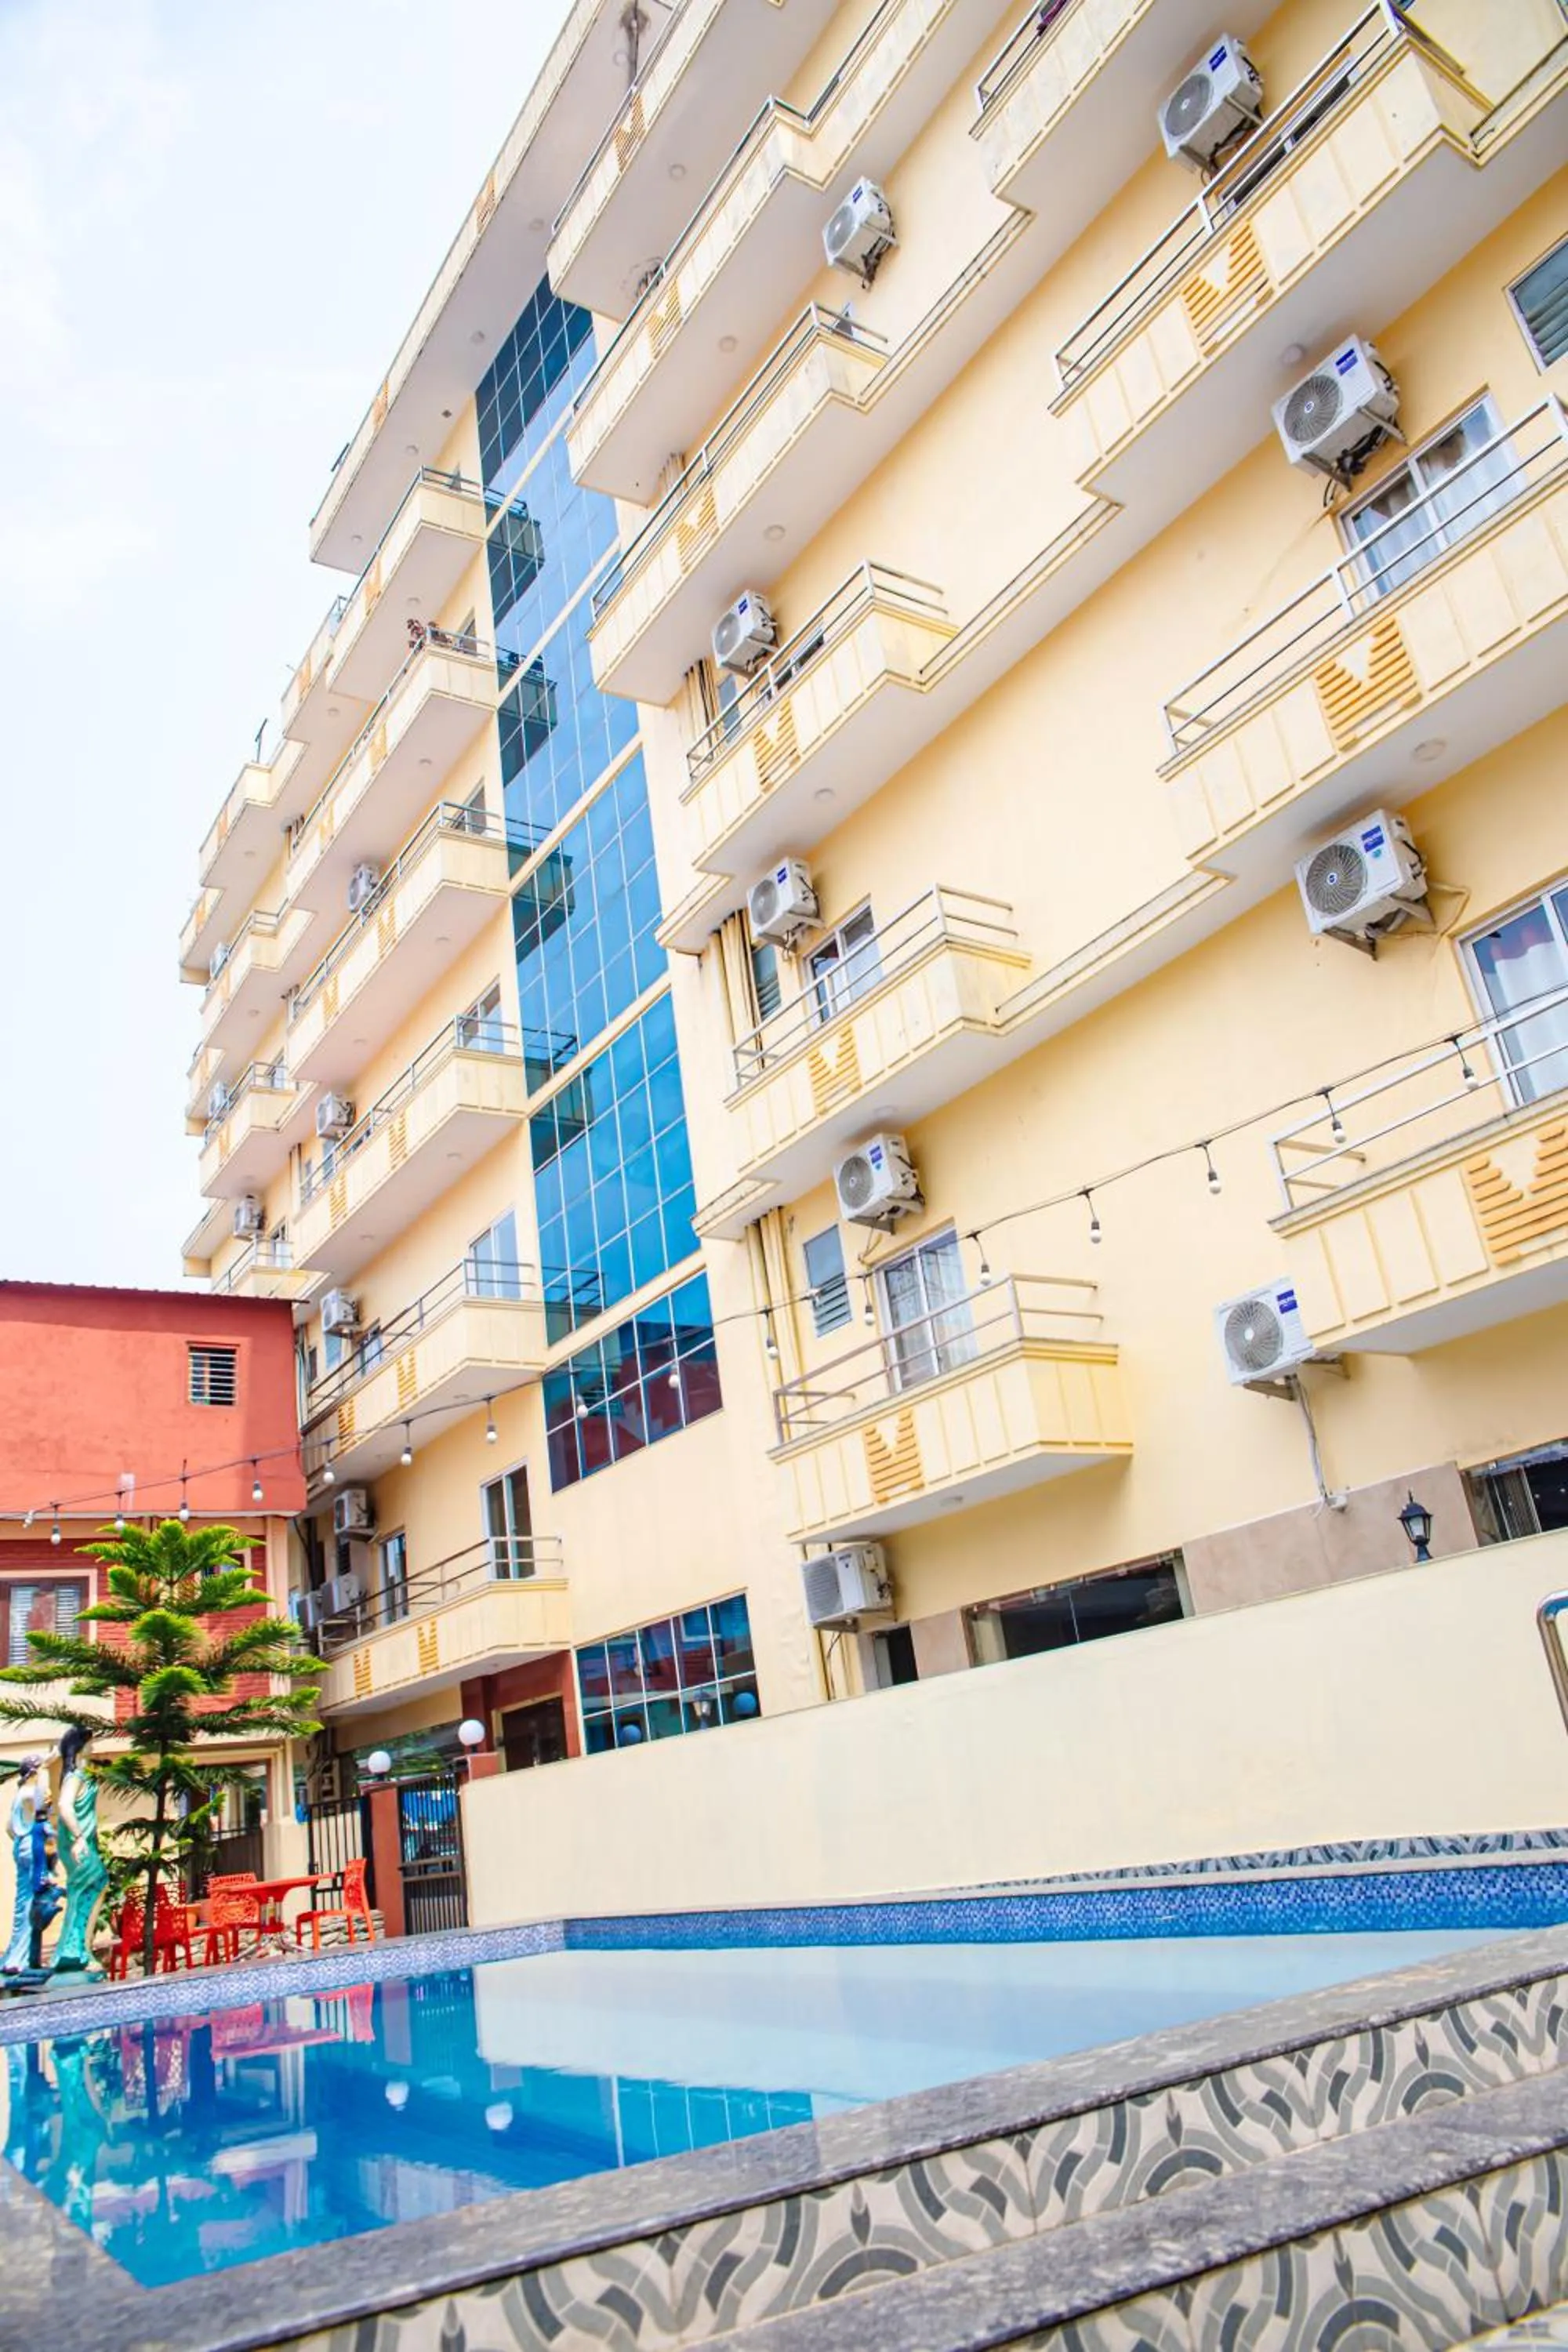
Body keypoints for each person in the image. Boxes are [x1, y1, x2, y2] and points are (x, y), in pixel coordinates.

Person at [52, 1729, 108, 1976]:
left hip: (83, 1843)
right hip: (79, 1845)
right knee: (93, 1887)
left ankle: (76, 1951)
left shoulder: (80, 1775)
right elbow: (64, 1806)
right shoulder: (74, 1778)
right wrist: (78, 1838)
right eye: (90, 1743)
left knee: (88, 1890)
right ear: (80, 1747)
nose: (93, 1747)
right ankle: (80, 1952)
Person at [2, 1759, 45, 1975]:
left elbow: (9, 1828)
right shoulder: (30, 1794)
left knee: (23, 1904)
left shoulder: (18, 1795)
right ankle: (20, 1959)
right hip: (32, 1848)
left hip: (21, 1847)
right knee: (30, 1903)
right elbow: (42, 1810)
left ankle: (15, 1955)